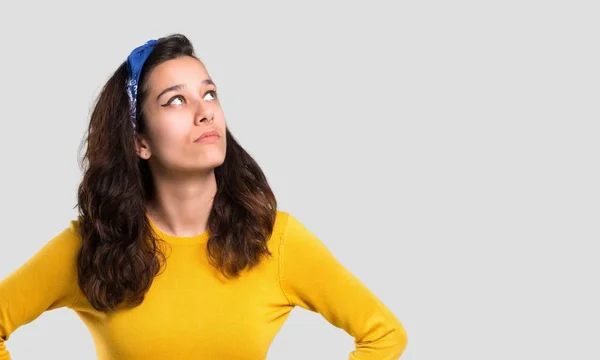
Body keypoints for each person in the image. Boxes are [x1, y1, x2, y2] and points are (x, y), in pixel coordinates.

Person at [0, 33, 407, 359]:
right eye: (176, 100)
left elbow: (384, 336)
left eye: (209, 94)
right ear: (140, 140)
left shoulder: (275, 240)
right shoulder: (94, 245)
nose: (205, 111)